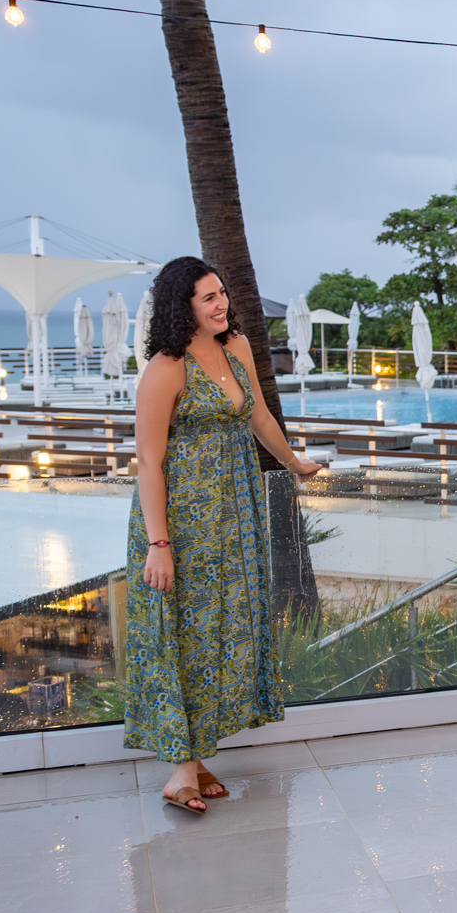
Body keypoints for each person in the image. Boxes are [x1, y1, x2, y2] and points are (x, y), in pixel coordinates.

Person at [124, 257, 322, 814]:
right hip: (181, 523)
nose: (222, 305)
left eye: (222, 294)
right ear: (181, 307)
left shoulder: (235, 347)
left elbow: (257, 417)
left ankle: (196, 757)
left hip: (235, 516)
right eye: (208, 297)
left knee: (224, 630)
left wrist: (293, 463)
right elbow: (148, 462)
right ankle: (180, 771)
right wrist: (158, 545)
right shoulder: (166, 368)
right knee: (184, 633)